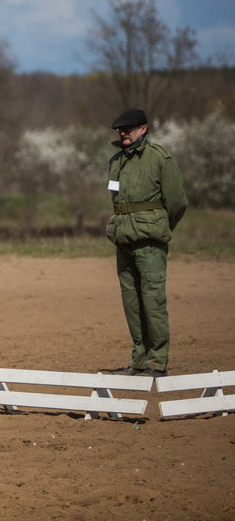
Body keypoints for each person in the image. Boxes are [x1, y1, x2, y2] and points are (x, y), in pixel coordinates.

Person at [107, 109, 187, 378]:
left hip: (149, 242)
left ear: (144, 129)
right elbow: (116, 200)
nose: (123, 133)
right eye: (120, 129)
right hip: (123, 240)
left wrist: (159, 226)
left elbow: (177, 202)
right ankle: (138, 360)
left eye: (128, 129)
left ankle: (157, 362)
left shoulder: (158, 157)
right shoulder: (116, 161)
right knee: (132, 303)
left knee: (153, 302)